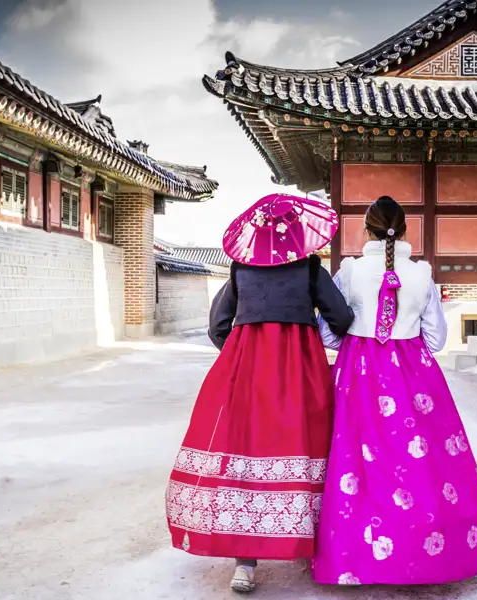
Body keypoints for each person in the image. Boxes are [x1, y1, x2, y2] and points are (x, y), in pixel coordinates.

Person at [165, 194, 354, 594]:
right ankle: (307, 547)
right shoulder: (310, 269)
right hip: (300, 369)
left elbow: (218, 326)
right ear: (299, 234)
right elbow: (342, 317)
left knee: (246, 452)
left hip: (246, 367)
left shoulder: (239, 268)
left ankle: (245, 565)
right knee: (304, 446)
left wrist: (240, 354)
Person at [313, 196, 477, 586]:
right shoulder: (422, 274)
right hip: (412, 374)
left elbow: (329, 331)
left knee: (357, 460)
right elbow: (437, 337)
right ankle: (429, 550)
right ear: (405, 230)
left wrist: (355, 339)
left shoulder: (350, 272)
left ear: (366, 228)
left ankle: (357, 556)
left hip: (359, 372)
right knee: (421, 460)